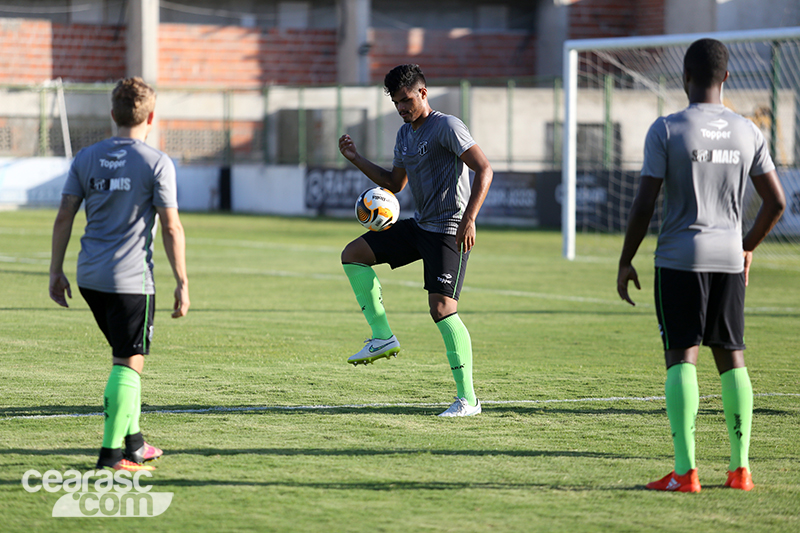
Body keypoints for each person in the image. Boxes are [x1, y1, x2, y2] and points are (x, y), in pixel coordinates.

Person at [617, 39, 785, 492]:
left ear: (685, 78)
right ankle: (740, 470)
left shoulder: (667, 129)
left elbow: (644, 203)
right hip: (730, 260)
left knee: (681, 357)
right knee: (733, 358)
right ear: (726, 77)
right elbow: (776, 201)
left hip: (678, 259)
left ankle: (686, 471)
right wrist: (746, 245)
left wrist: (626, 259)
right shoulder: (749, 131)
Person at [49, 77, 190, 471]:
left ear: (113, 114)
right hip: (131, 281)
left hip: (89, 277)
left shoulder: (86, 157)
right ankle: (111, 457)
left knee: (126, 360)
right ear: (151, 117)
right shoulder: (156, 162)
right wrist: (182, 281)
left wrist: (55, 271)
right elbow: (171, 227)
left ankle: (136, 443)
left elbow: (64, 216)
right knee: (127, 364)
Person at [338, 64, 493, 417]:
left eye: (407, 100)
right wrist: (356, 158)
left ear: (423, 93)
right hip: (420, 226)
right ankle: (382, 336)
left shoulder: (447, 126)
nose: (402, 108)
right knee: (353, 254)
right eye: (396, 103)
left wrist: (469, 219)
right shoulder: (404, 135)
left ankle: (468, 400)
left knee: (442, 309)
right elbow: (395, 184)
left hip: (449, 230)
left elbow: (484, 169)